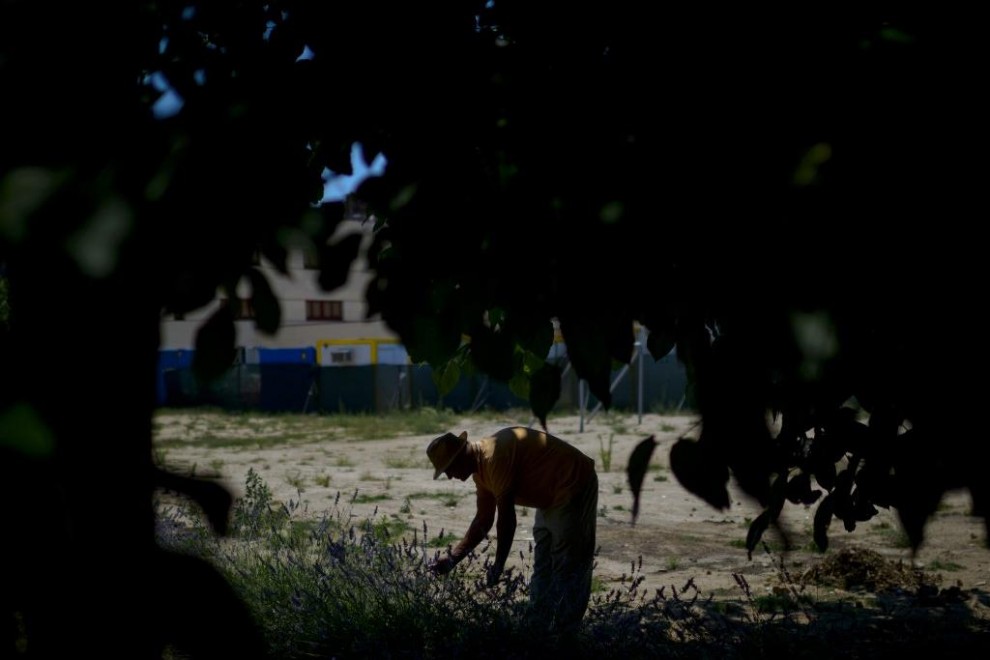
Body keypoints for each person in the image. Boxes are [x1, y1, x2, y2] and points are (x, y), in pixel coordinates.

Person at [426, 426, 599, 633]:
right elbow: (484, 519)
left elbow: (506, 519)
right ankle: (538, 630)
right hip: (548, 497)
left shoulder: (494, 457)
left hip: (572, 481)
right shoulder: (480, 473)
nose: (449, 477)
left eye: (448, 469)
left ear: (460, 457)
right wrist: (453, 558)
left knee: (568, 564)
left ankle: (566, 636)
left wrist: (498, 565)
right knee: (543, 567)